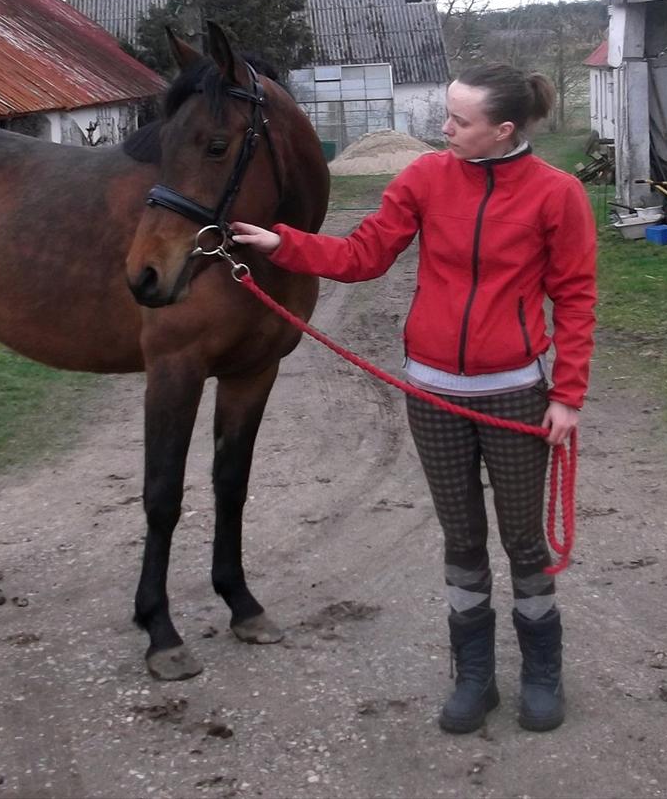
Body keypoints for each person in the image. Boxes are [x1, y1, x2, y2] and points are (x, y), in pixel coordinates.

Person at [232, 64, 597, 734]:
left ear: (503, 130)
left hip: (516, 395)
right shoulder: (426, 178)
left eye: (459, 121)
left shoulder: (558, 194)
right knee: (461, 540)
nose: (443, 128)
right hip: (432, 395)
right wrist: (284, 245)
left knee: (522, 541)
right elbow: (365, 254)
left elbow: (575, 298)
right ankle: (474, 675)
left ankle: (542, 671)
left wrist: (566, 394)